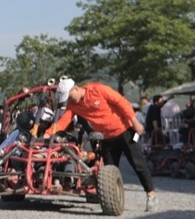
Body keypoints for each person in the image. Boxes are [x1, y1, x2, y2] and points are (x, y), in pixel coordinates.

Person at [45, 78, 158, 212]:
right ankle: (113, 199)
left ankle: (151, 195)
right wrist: (47, 134)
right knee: (109, 170)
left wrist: (135, 122)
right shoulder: (73, 105)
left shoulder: (98, 89)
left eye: (69, 96)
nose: (69, 100)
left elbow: (121, 102)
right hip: (106, 138)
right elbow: (63, 122)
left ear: (75, 88)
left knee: (138, 164)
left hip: (124, 131)